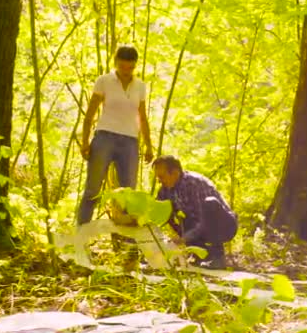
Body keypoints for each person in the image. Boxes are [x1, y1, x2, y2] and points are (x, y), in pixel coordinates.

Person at [77, 45, 153, 225]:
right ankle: (80, 237)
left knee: (128, 194)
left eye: (131, 67)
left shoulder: (140, 86)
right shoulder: (104, 81)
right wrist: (85, 141)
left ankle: (127, 243)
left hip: (130, 142)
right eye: (123, 66)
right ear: (116, 62)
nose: (126, 71)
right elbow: (90, 114)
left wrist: (148, 145)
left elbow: (142, 118)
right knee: (93, 190)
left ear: (135, 65)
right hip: (105, 137)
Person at [153, 155, 238, 269]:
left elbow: (203, 220)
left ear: (175, 173)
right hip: (200, 227)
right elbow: (156, 212)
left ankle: (218, 258)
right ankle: (198, 256)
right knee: (172, 210)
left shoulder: (194, 183)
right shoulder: (165, 189)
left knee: (210, 203)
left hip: (224, 225)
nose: (159, 181)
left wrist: (185, 238)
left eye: (161, 176)